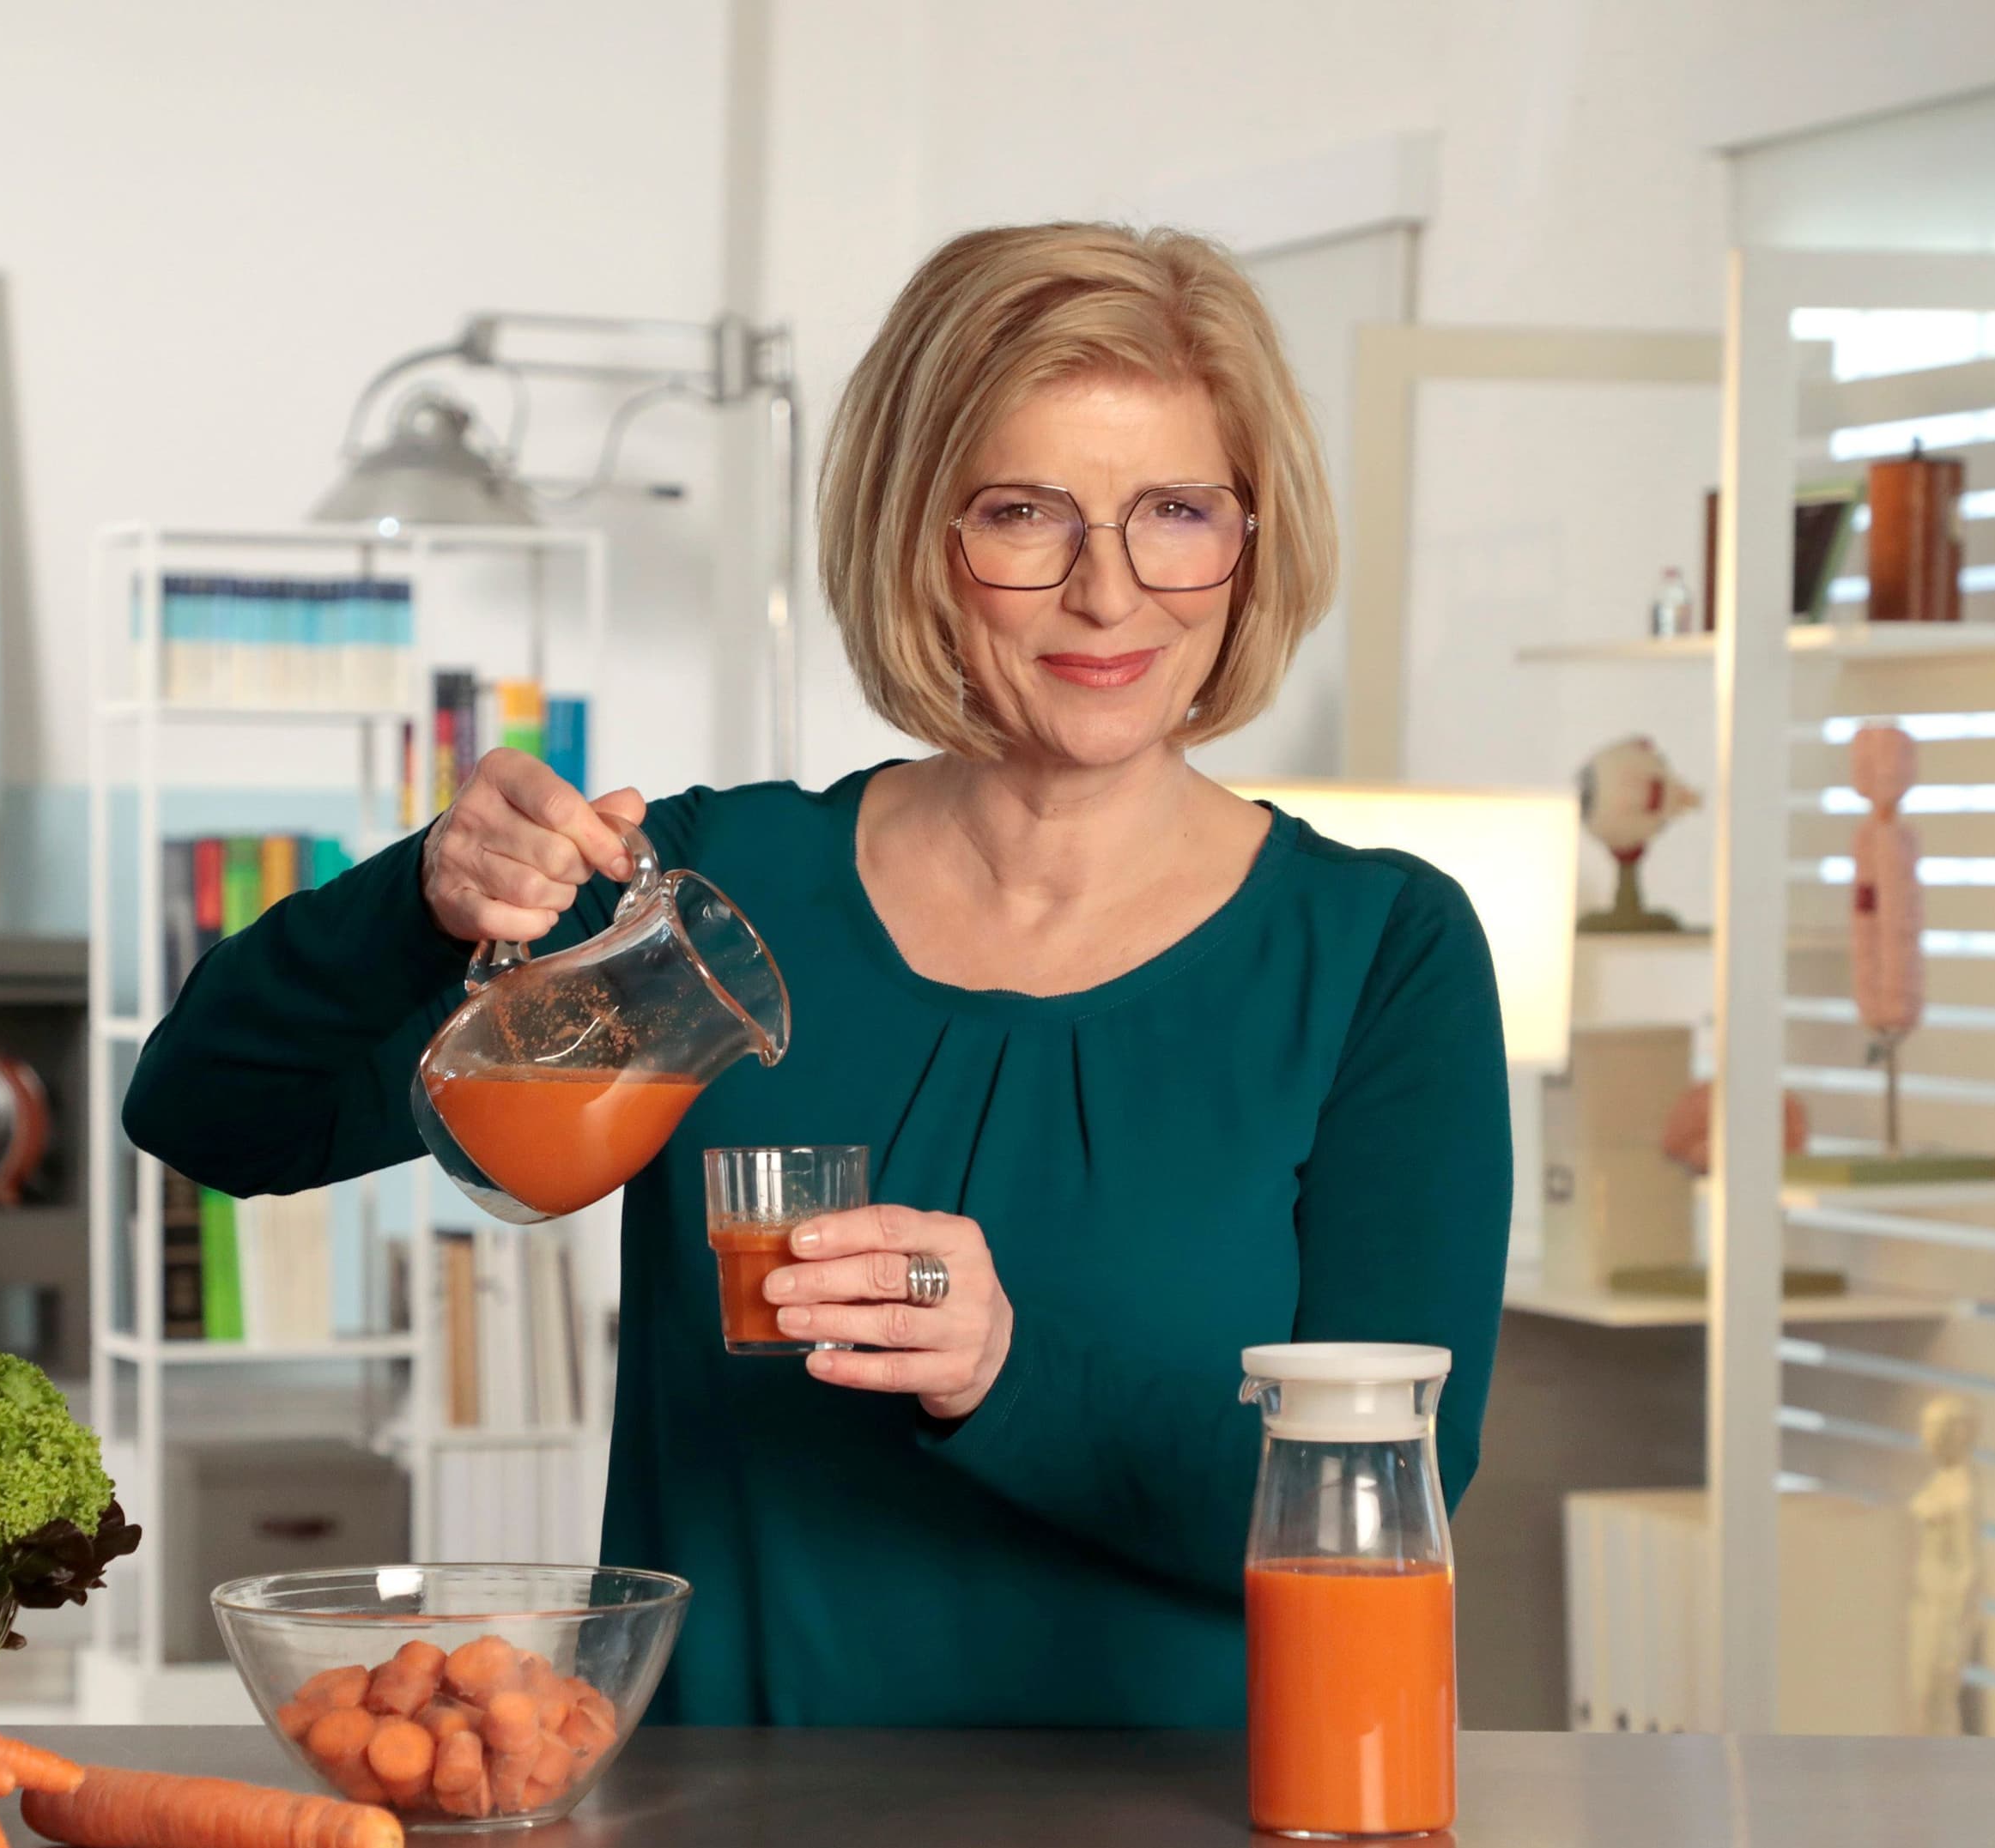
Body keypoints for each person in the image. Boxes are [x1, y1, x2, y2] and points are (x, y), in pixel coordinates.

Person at [128, 222, 1511, 1725]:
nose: (1110, 596)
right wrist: (424, 900)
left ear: (1252, 542)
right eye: (1024, 514)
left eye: (1176, 511)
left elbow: (1393, 1493)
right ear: (919, 541)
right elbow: (215, 1115)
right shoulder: (709, 906)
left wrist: (1004, 1368)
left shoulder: (1380, 953)